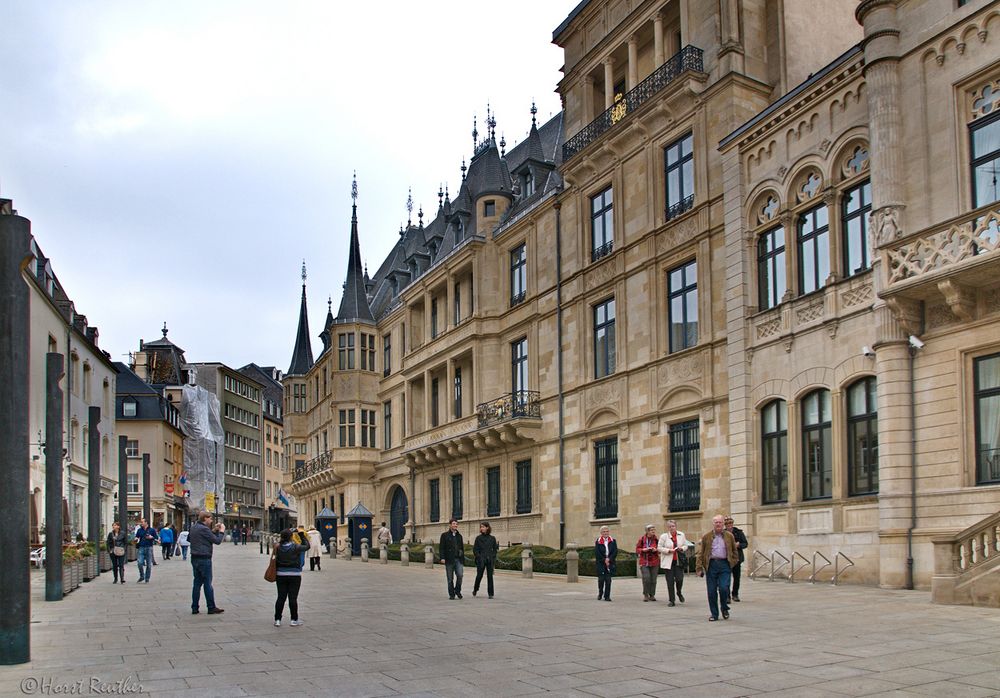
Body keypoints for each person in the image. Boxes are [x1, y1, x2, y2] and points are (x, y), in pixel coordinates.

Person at [696, 515, 739, 621]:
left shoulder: (729, 536)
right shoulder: (707, 537)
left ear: (723, 524)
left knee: (724, 588)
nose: (718, 524)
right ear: (713, 524)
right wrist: (699, 568)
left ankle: (724, 608)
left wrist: (732, 562)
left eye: (720, 522)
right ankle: (714, 614)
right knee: (711, 591)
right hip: (712, 565)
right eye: (716, 522)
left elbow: (734, 551)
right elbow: (701, 553)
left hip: (725, 564)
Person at [189, 510, 226, 615]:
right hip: (204, 558)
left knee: (196, 583)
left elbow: (192, 538)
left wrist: (214, 530)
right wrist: (222, 531)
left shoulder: (194, 527)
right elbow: (217, 541)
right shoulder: (204, 529)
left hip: (194, 557)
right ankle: (211, 607)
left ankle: (194, 607)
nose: (211, 520)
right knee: (207, 583)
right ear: (205, 518)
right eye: (210, 518)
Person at [273, 528, 310, 626]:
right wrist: (302, 536)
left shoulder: (277, 547)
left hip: (280, 575)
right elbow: (307, 546)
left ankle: (277, 619)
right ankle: (294, 620)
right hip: (294, 575)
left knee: (281, 597)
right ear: (291, 536)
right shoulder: (295, 547)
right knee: (293, 598)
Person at [658, 520, 689, 606]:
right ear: (667, 528)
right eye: (670, 526)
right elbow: (659, 547)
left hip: (678, 561)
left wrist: (681, 548)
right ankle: (672, 600)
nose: (672, 528)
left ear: (676, 526)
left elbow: (686, 545)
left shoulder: (681, 535)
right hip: (668, 562)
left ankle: (679, 592)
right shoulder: (664, 536)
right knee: (670, 581)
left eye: (673, 526)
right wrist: (668, 550)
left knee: (680, 579)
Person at [438, 519, 464, 599]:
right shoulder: (444, 535)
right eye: (453, 524)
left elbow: (462, 548)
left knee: (460, 575)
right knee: (450, 578)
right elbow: (441, 548)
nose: (455, 525)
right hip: (449, 559)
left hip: (458, 559)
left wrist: (462, 559)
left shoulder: (459, 536)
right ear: (450, 525)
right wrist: (442, 557)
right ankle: (451, 594)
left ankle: (457, 590)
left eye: (456, 524)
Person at [472, 521, 498, 598]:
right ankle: (475, 589)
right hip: (481, 560)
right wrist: (479, 557)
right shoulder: (478, 538)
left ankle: (491, 594)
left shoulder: (492, 538)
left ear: (487, 527)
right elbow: (475, 549)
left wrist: (492, 556)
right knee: (479, 576)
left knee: (490, 576)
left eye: (483, 527)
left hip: (489, 559)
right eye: (481, 527)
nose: (482, 528)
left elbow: (495, 550)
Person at [725, 516, 748, 602]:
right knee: (726, 577)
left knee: (737, 577)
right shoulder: (723, 533)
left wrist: (739, 545)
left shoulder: (738, 532)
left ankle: (735, 594)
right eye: (727, 524)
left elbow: (745, 543)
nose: (729, 525)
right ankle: (727, 596)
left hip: (737, 558)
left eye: (730, 523)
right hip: (727, 558)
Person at [635, 524, 660, 601]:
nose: (653, 531)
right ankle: (645, 594)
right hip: (644, 562)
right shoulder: (642, 539)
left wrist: (656, 550)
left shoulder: (656, 539)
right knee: (646, 578)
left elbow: (660, 548)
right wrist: (643, 550)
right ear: (647, 531)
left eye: (654, 530)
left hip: (654, 561)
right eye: (652, 530)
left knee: (653, 580)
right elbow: (637, 549)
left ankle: (652, 595)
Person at [594, 525, 617, 601]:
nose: (605, 533)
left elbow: (615, 551)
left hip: (610, 562)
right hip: (601, 563)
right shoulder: (598, 541)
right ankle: (600, 593)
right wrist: (604, 560)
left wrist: (609, 559)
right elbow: (597, 553)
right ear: (601, 533)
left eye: (607, 531)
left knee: (608, 580)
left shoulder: (613, 541)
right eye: (604, 531)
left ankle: (607, 596)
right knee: (601, 580)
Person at [134, 518, 158, 583]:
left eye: (142, 522)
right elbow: (137, 537)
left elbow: (156, 538)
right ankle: (142, 576)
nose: (141, 523)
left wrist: (151, 537)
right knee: (139, 562)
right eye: (141, 522)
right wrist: (136, 539)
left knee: (149, 564)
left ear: (146, 522)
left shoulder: (152, 530)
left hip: (149, 547)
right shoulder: (139, 530)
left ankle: (147, 578)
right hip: (141, 547)